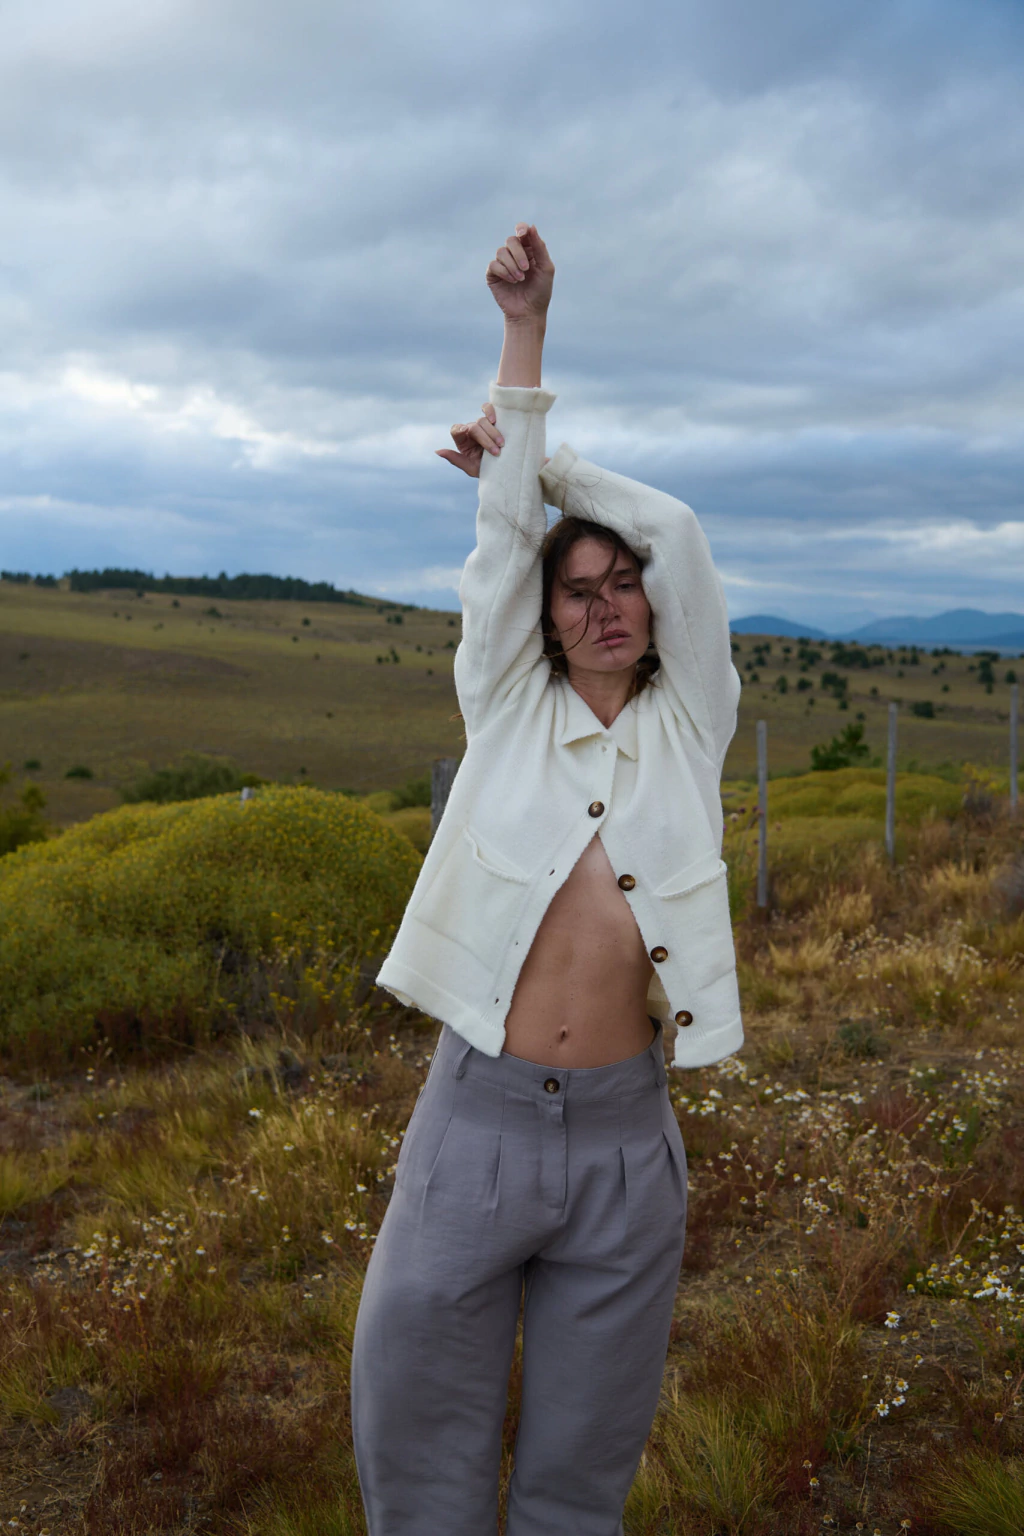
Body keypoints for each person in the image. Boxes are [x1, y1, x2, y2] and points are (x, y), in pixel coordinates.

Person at [351, 223, 744, 1535]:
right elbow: (502, 545)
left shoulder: (692, 728)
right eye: (576, 590)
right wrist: (524, 334)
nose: (604, 604)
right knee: (422, 1445)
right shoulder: (506, 705)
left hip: (628, 1141)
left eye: (623, 585)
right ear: (548, 615)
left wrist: (552, 465)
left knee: (581, 1474)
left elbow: (676, 529)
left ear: (654, 608)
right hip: (479, 1122)